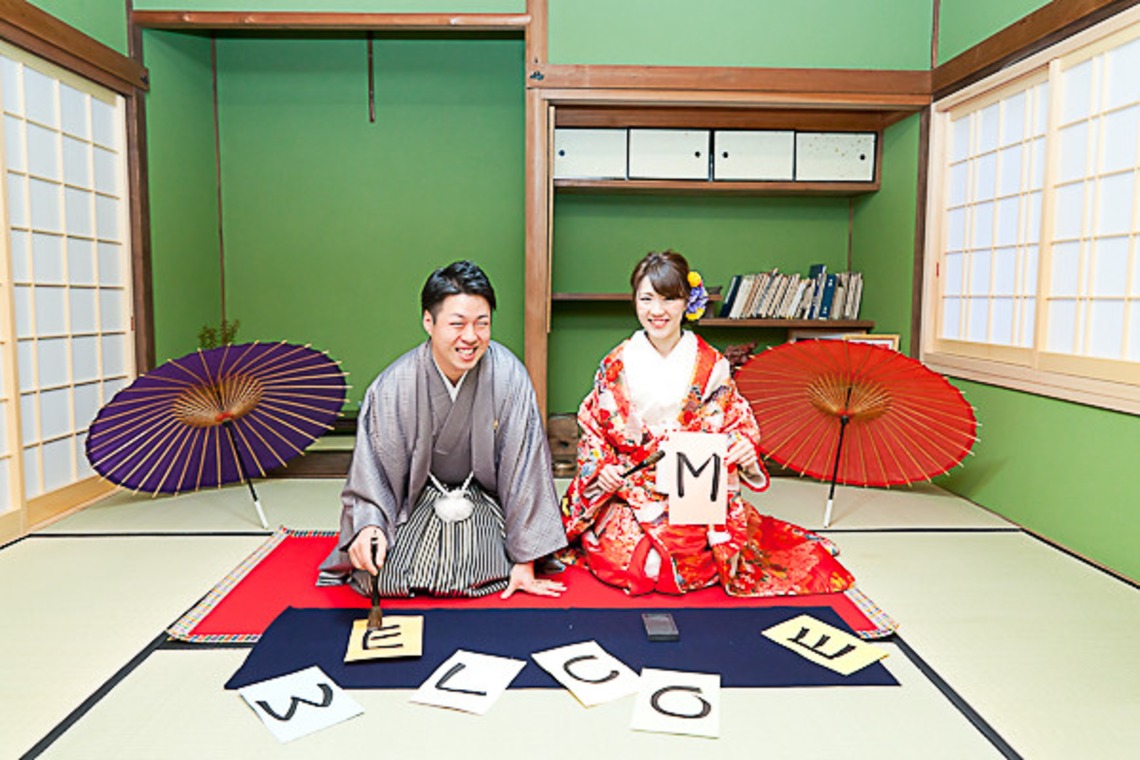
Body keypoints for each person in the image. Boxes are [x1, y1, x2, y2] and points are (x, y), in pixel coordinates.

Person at [562, 251, 855, 596]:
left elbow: (734, 421)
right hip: (629, 487)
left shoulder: (711, 364)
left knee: (684, 561)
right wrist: (604, 470)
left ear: (687, 301)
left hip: (690, 485)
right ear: (634, 301)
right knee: (632, 560)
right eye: (647, 299)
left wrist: (742, 447)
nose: (657, 311)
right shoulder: (616, 364)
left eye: (669, 299)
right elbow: (594, 427)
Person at [318, 260, 567, 599]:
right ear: (428, 322)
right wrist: (369, 526)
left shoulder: (508, 375)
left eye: (482, 323)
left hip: (483, 498)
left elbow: (524, 469)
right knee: (384, 574)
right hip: (417, 499)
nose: (471, 337)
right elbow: (374, 472)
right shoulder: (394, 386)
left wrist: (525, 561)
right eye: (457, 324)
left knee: (488, 564)